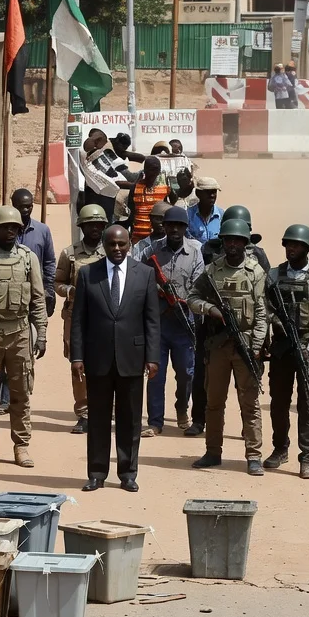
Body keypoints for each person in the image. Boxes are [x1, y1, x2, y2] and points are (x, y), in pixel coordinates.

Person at [72, 225, 160, 492]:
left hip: (132, 357)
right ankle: (96, 473)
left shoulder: (144, 274)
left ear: (129, 244)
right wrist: (77, 357)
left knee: (130, 418)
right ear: (105, 245)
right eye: (112, 245)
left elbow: (152, 320)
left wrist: (152, 357)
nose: (118, 249)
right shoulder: (88, 274)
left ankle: (128, 473)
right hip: (98, 358)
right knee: (98, 418)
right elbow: (78, 321)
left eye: (122, 244)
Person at [189, 219, 269, 474]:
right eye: (228, 240)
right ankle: (213, 451)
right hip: (218, 346)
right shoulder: (212, 271)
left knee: (250, 403)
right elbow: (192, 298)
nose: (232, 244)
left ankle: (253, 455)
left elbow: (261, 313)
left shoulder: (256, 272)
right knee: (214, 402)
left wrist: (256, 346)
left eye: (237, 240)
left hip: (246, 346)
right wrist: (210, 309)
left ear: (246, 243)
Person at [266, 225, 309, 480]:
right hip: (282, 350)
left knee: (307, 406)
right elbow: (265, 308)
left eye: (295, 245)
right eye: (287, 244)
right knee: (279, 402)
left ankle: (307, 458)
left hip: (308, 351)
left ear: (307, 247)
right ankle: (279, 449)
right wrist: (276, 321)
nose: (290, 249)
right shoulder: (273, 275)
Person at [0, 206, 48, 467]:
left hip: (20, 332)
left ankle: (21, 445)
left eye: (14, 227)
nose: (9, 231)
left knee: (20, 393)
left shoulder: (28, 258)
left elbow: (38, 299)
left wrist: (41, 334)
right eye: (4, 227)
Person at [142, 206, 203, 437]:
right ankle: (155, 421)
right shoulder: (153, 251)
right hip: (158, 323)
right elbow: (144, 280)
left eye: (179, 226)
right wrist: (159, 292)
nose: (174, 229)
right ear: (164, 227)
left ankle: (181, 408)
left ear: (186, 228)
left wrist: (181, 301)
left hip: (184, 322)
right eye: (170, 225)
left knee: (186, 373)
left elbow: (198, 285)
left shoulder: (195, 252)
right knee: (155, 373)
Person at [56, 205, 109, 434]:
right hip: (76, 316)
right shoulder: (70, 253)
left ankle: (105, 411)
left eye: (99, 225)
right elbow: (57, 283)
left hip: (105, 317)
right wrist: (71, 291)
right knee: (79, 366)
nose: (95, 228)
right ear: (82, 227)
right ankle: (84, 414)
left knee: (107, 363)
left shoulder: (111, 252)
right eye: (90, 225)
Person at [11, 188, 57, 317]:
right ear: (14, 205)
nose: (26, 210)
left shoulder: (43, 230)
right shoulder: (5, 231)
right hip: (11, 292)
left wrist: (49, 289)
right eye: (21, 207)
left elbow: (49, 262)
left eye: (29, 206)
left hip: (35, 292)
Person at [130, 157, 173, 243]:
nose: (152, 172)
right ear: (145, 170)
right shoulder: (135, 187)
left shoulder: (165, 189)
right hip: (138, 237)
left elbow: (170, 210)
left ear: (159, 171)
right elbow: (131, 211)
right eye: (150, 169)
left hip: (159, 238)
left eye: (155, 169)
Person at [187, 177, 223, 244]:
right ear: (198, 193)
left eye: (214, 192)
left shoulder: (221, 215)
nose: (212, 195)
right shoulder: (188, 215)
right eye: (208, 192)